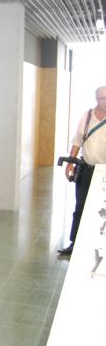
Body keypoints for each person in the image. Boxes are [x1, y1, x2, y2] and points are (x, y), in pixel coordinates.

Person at [58, 86, 106, 255]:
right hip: (86, 169)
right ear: (97, 99)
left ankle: (100, 245)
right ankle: (75, 243)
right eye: (103, 98)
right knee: (80, 207)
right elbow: (78, 140)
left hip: (104, 172)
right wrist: (70, 162)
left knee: (103, 210)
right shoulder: (87, 117)